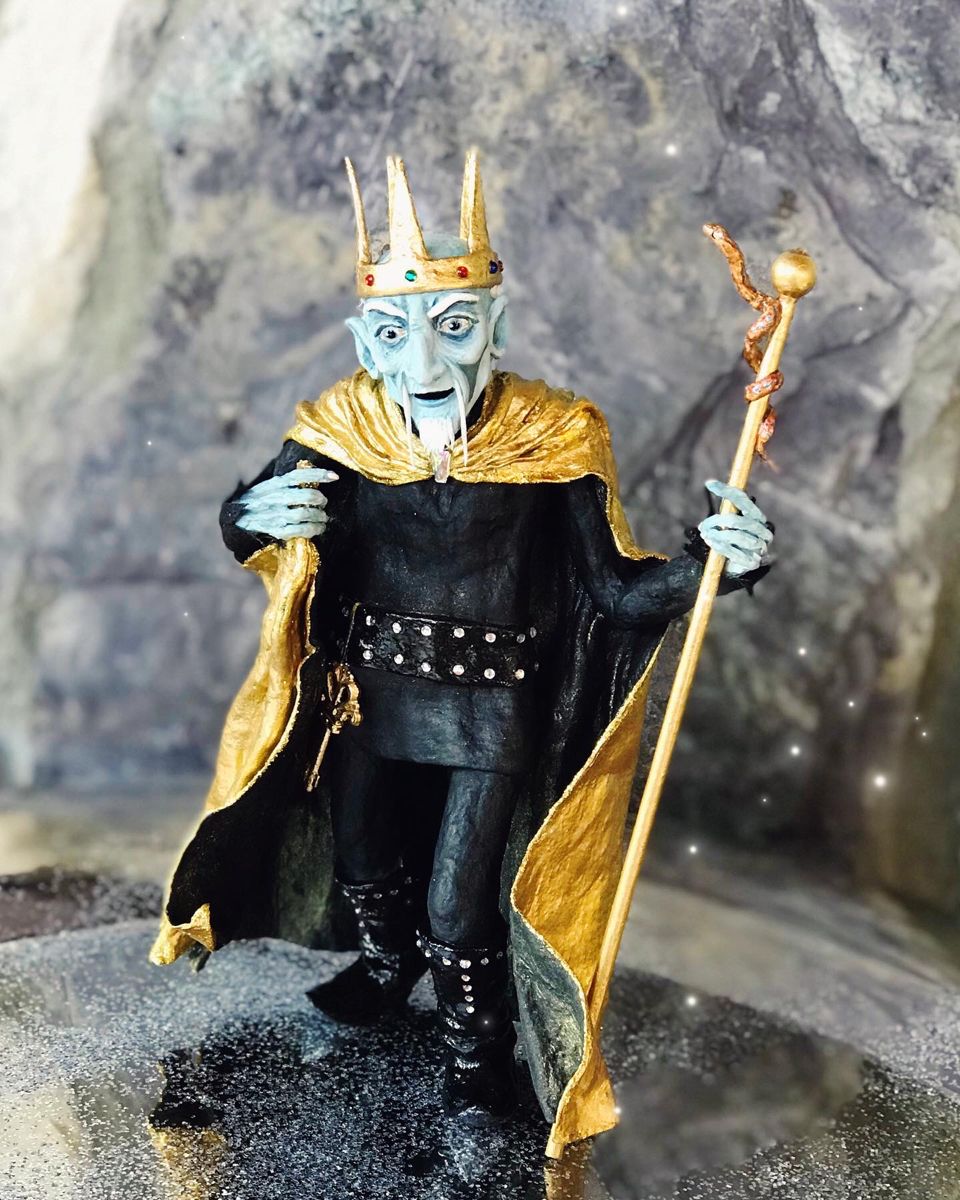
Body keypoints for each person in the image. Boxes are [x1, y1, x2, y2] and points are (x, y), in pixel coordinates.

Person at [151, 151, 773, 1143]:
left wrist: (712, 564)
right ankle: (385, 969)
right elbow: (259, 525)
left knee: (457, 901)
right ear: (367, 339)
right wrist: (251, 514)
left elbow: (614, 593)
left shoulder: (556, 436)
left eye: (453, 328)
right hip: (365, 699)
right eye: (397, 335)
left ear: (498, 327)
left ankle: (477, 1052)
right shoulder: (342, 426)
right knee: (365, 859)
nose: (426, 367)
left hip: (491, 715)